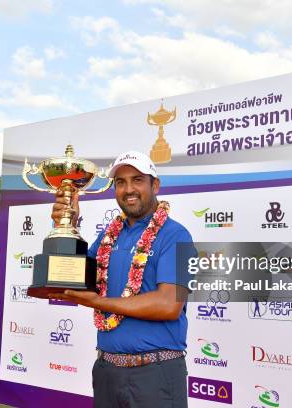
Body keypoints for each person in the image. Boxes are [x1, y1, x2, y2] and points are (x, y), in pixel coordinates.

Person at [51, 151, 194, 408]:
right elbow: (78, 276)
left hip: (156, 374)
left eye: (137, 180)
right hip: (107, 372)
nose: (129, 189)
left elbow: (168, 305)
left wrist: (99, 302)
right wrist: (66, 225)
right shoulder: (109, 235)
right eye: (120, 182)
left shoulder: (177, 235)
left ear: (155, 185)